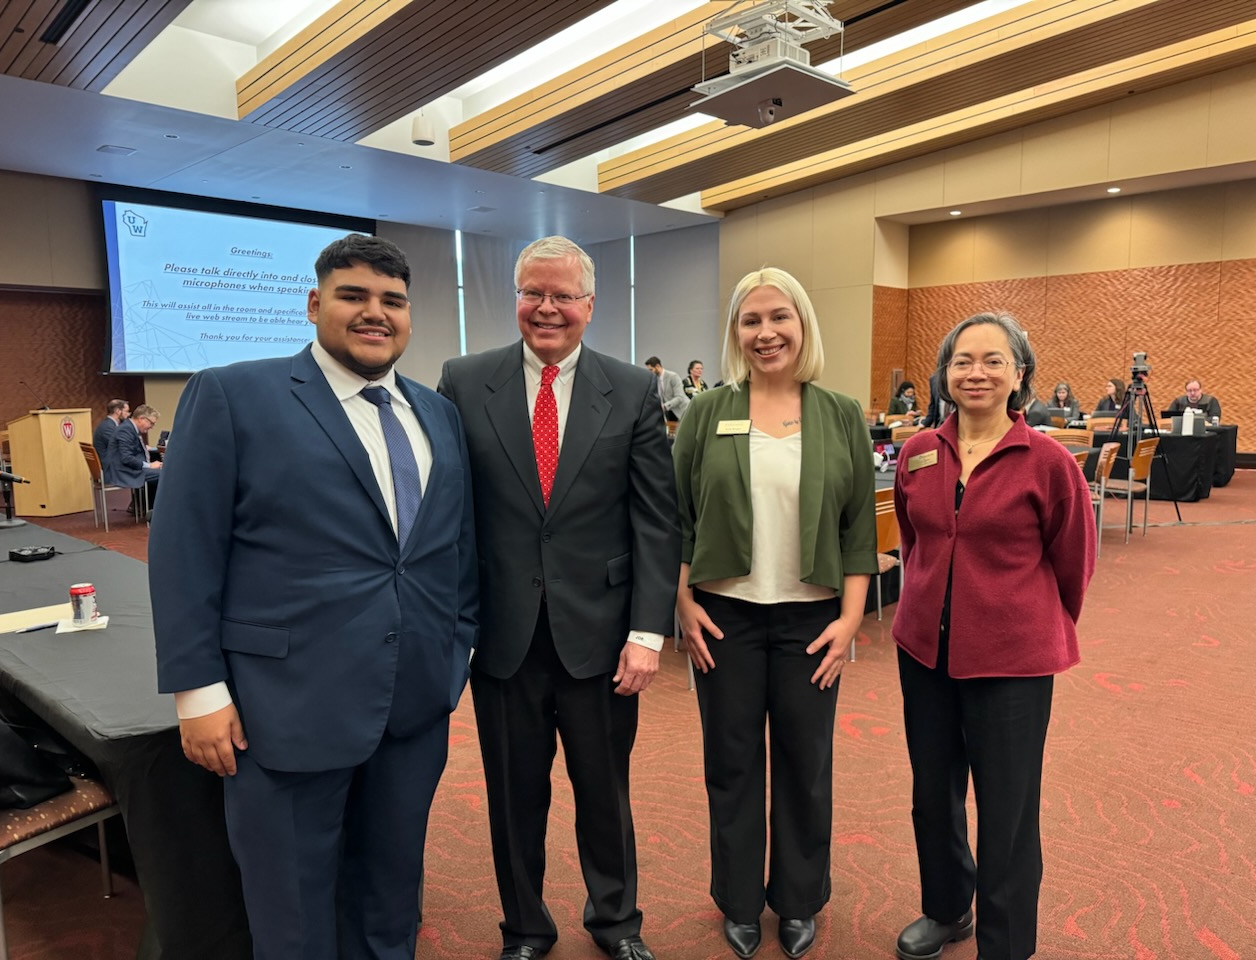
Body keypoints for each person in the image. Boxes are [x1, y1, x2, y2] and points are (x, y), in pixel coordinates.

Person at [149, 233, 478, 960]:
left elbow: (454, 549)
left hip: (414, 703)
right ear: (313, 304)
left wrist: (457, 649)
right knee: (292, 908)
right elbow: (184, 551)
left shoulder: (438, 415)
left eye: (392, 301)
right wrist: (197, 690)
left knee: (392, 894)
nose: (375, 313)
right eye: (353, 295)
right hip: (284, 704)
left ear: (410, 315)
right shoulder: (234, 394)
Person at [438, 236, 678, 960]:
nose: (547, 308)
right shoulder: (463, 380)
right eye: (532, 293)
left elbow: (655, 521)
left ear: (590, 306)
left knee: (605, 793)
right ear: (515, 298)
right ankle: (525, 929)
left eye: (563, 295)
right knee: (515, 799)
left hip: (602, 639)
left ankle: (616, 922)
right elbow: (449, 513)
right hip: (503, 637)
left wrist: (647, 633)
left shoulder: (632, 388)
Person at [673, 267, 876, 960]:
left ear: (802, 325)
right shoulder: (707, 410)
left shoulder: (839, 412)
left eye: (778, 318)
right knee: (729, 764)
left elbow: (857, 529)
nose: (766, 333)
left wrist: (851, 621)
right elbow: (680, 517)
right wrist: (682, 601)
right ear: (735, 332)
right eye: (750, 320)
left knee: (803, 763)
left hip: (811, 621)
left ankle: (797, 900)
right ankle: (735, 900)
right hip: (725, 617)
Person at [891, 312, 1096, 960]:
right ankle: (948, 909)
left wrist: (1024, 623)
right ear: (944, 375)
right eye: (962, 361)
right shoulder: (920, 450)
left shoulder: (1049, 461)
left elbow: (1074, 562)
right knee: (933, 794)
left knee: (1006, 813)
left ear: (1020, 374)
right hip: (924, 651)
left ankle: (1006, 944)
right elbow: (912, 539)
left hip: (1012, 664)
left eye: (992, 360)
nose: (976, 372)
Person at [108, 403, 161, 511]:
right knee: (164, 475)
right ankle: (157, 512)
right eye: (151, 423)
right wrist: (149, 465)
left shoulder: (129, 428)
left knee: (160, 471)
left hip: (126, 468)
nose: (152, 427)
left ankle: (147, 509)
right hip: (123, 471)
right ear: (141, 419)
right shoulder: (126, 430)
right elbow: (126, 458)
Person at [92, 398, 128, 481]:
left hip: (110, 467)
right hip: (110, 470)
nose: (128, 414)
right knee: (151, 473)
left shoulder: (109, 425)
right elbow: (121, 447)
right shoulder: (108, 428)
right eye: (126, 411)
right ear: (117, 411)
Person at [645, 355, 690, 421]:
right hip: (669, 412)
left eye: (651, 370)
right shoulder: (655, 379)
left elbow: (680, 397)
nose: (650, 372)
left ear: (657, 366)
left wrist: (665, 406)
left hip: (682, 411)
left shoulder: (673, 376)